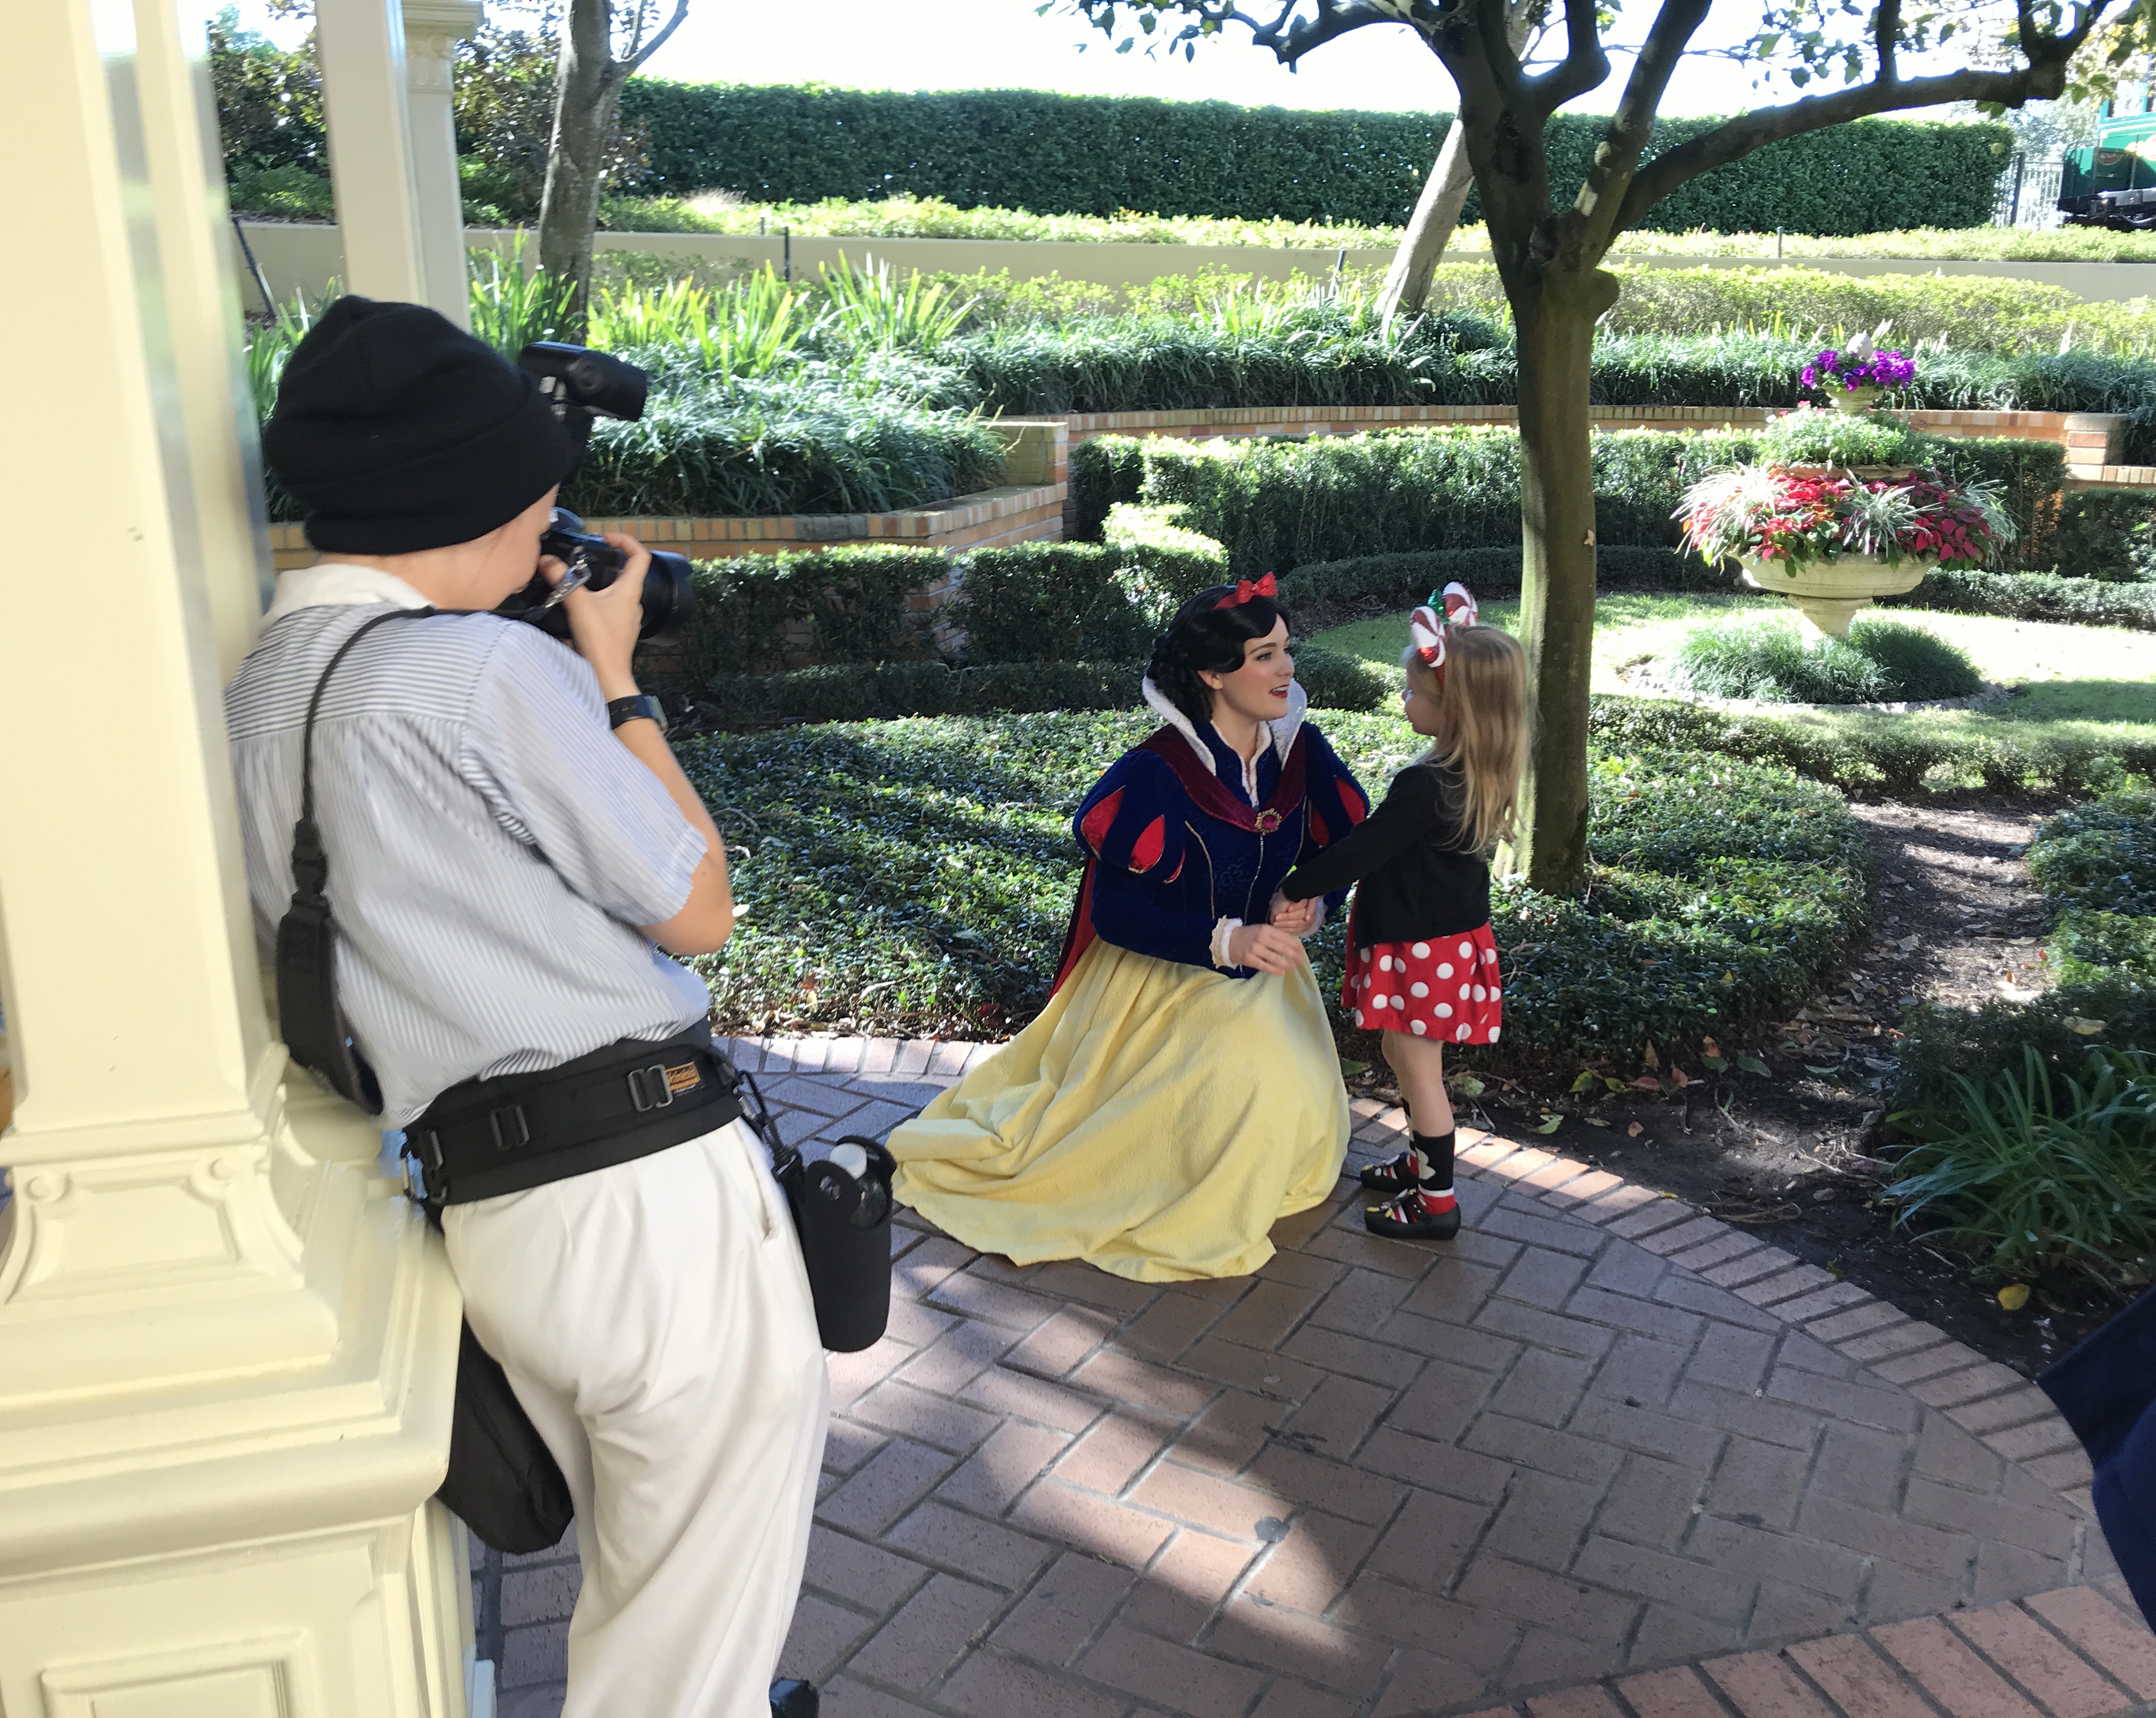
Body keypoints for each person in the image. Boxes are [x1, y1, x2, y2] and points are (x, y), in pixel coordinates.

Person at [223, 298, 825, 1718]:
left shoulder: (256, 693)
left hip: (499, 1215)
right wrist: (613, 673)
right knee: (687, 1634)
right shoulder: (485, 673)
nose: (554, 530)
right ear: (475, 501)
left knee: (652, 1588)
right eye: (541, 501)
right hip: (646, 1203)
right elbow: (697, 906)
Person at [889, 578, 1371, 1281]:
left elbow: (1345, 849)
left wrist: (1315, 900)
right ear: (1212, 674)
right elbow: (1117, 915)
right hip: (1159, 979)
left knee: (1281, 1088)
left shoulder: (1301, 752)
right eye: (1264, 656)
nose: (1287, 669)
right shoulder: (1158, 772)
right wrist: (1225, 940)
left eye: (1285, 650)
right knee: (1248, 1076)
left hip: (1266, 974)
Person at [1271, 584, 1527, 1241]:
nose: (1404, 699)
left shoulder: (1425, 786)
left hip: (1422, 950)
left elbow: (1362, 849)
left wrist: (1295, 887)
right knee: (1400, 1052)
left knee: (1419, 1073)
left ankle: (1436, 1202)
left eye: (1413, 691)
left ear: (1453, 709)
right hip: (1441, 946)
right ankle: (1419, 1164)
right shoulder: (1468, 771)